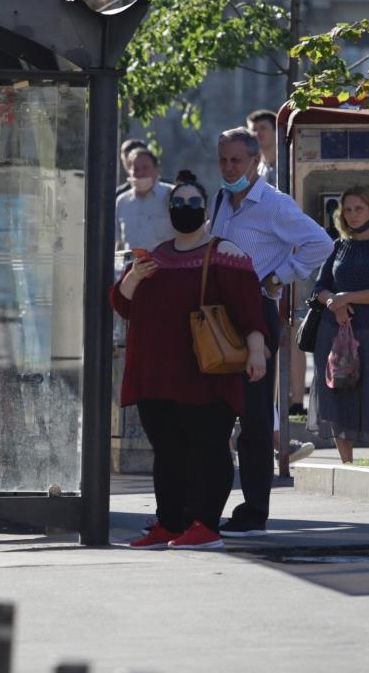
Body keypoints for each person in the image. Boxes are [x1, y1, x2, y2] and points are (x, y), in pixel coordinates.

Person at [113, 176, 269, 550]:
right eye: (178, 204)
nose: (185, 210)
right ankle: (170, 523)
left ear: (206, 210)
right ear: (169, 212)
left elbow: (249, 310)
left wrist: (257, 350)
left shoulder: (226, 253)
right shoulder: (155, 256)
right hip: (156, 375)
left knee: (208, 448)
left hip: (206, 374)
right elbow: (121, 304)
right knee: (167, 450)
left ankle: (206, 525)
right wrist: (134, 277)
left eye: (193, 203)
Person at [210, 127, 333, 537]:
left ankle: (255, 509)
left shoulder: (275, 205)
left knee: (255, 418)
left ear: (255, 162)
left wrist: (279, 276)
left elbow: (320, 243)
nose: (229, 168)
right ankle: (209, 504)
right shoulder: (221, 200)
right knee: (215, 415)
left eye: (236, 161)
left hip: (256, 315)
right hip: (218, 316)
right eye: (224, 160)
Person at [310, 185, 369, 463]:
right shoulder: (339, 246)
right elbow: (318, 287)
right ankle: (347, 463)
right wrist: (333, 303)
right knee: (340, 397)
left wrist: (347, 298)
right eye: (348, 210)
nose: (353, 215)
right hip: (335, 334)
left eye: (359, 209)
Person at [115, 149, 175, 251]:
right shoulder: (122, 202)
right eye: (136, 169)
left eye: (145, 168)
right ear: (129, 172)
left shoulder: (172, 195)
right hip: (133, 265)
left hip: (165, 265)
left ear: (157, 170)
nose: (141, 173)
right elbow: (118, 243)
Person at [246, 109, 278, 188]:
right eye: (253, 130)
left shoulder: (291, 164)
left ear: (276, 131)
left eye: (263, 128)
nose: (257, 133)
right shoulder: (255, 169)